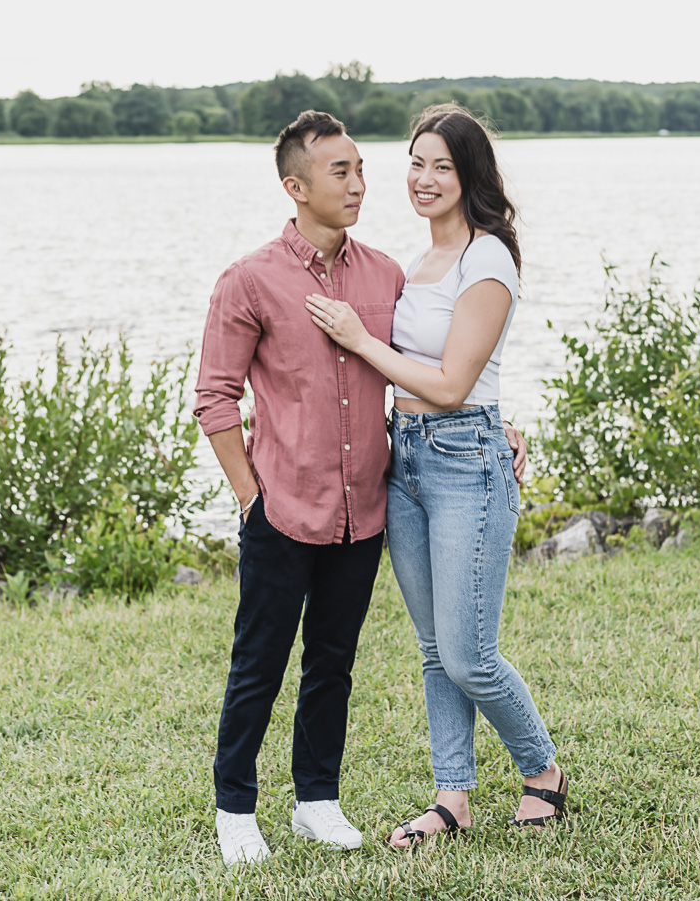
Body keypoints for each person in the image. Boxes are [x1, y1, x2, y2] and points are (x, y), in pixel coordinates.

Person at [306, 103, 567, 846]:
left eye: (441, 166)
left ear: (470, 175)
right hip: (407, 459)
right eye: (415, 163)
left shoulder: (488, 258)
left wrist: (358, 339)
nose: (423, 179)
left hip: (465, 463)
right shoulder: (414, 266)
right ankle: (452, 797)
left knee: (469, 653)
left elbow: (452, 385)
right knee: (431, 649)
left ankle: (542, 770)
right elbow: (423, 379)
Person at [194, 110, 405, 867]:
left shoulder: (386, 274)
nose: (359, 182)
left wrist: (496, 426)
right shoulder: (250, 279)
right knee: (260, 661)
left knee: (334, 661)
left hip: (364, 511)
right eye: (340, 171)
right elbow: (214, 397)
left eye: (359, 167)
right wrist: (252, 498)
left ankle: (317, 800)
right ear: (296, 186)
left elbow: (427, 375)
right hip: (281, 511)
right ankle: (235, 808)